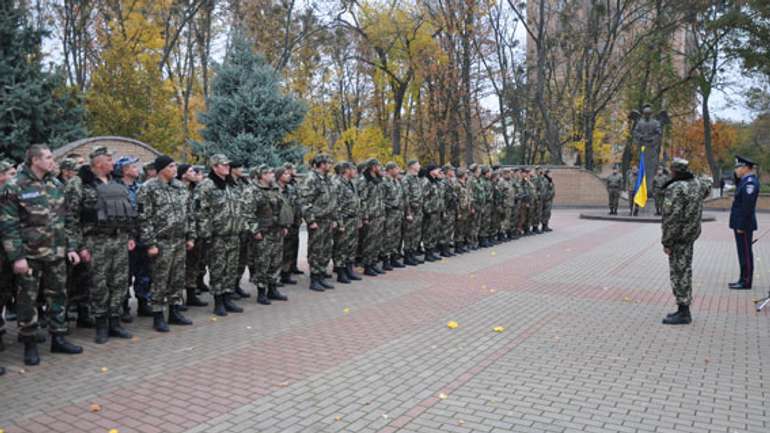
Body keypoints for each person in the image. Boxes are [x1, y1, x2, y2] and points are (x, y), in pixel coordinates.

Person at [0, 144, 84, 366]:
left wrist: (71, 247)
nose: (51, 161)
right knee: (27, 300)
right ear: (34, 160)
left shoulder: (55, 184)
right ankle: (29, 344)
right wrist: (17, 257)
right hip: (30, 255)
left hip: (56, 253)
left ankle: (59, 338)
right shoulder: (14, 186)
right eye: (47, 157)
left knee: (58, 296)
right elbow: (8, 225)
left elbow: (66, 220)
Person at [67, 146, 135, 344]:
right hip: (95, 241)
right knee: (99, 285)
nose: (113, 163)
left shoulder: (116, 182)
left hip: (119, 239)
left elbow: (125, 211)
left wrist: (129, 235)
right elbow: (71, 218)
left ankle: (115, 322)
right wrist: (80, 247)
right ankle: (101, 324)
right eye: (109, 160)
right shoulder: (79, 184)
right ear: (98, 163)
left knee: (120, 282)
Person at [136, 155, 196, 332]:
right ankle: (158, 314)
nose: (175, 169)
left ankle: (175, 311)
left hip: (179, 240)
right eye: (171, 166)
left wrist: (191, 236)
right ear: (161, 169)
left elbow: (189, 213)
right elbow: (143, 218)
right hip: (161, 242)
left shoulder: (180, 187)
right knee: (160, 279)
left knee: (177, 277)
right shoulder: (148, 188)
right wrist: (150, 243)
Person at [195, 154, 244, 316]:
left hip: (233, 233)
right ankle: (218, 301)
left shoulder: (232, 184)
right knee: (218, 269)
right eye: (223, 165)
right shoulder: (207, 185)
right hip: (217, 236)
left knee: (231, 268)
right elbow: (201, 212)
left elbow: (239, 208)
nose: (227, 167)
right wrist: (206, 235)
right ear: (215, 167)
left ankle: (228, 298)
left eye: (228, 164)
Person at [661, 158, 705, 325]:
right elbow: (707, 184)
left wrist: (667, 242)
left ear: (674, 171)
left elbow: (671, 218)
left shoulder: (676, 188)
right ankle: (683, 309)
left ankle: (683, 311)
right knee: (685, 270)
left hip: (678, 238)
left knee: (679, 273)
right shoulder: (697, 184)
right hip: (690, 236)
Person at [243, 165, 290, 305]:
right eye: (268, 173)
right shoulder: (252, 190)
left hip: (276, 230)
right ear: (261, 175)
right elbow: (247, 213)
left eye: (271, 172)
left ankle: (273, 288)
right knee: (262, 262)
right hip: (263, 232)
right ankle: (261, 292)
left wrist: (284, 225)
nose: (272, 174)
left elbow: (281, 209)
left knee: (276, 261)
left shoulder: (275, 189)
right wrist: (255, 230)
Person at [300, 154, 338, 291]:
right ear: (321, 164)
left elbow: (332, 200)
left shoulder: (327, 179)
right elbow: (304, 201)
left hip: (327, 220)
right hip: (317, 220)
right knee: (316, 250)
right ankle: (314, 279)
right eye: (328, 163)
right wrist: (310, 220)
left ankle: (321, 275)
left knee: (326, 249)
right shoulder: (311, 179)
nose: (330, 165)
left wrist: (334, 218)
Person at [176, 164, 208, 308]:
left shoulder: (197, 189)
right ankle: (177, 298)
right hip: (181, 233)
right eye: (190, 171)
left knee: (193, 265)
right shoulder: (176, 189)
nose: (194, 173)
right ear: (183, 174)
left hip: (197, 232)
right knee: (179, 267)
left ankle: (191, 294)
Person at [728, 155, 760, 290]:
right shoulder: (744, 181)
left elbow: (747, 207)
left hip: (744, 225)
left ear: (746, 168)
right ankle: (742, 278)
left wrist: (741, 225)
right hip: (740, 223)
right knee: (742, 253)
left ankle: (746, 282)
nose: (736, 170)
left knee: (746, 253)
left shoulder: (750, 183)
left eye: (739, 167)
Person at [332, 162, 362, 283]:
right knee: (341, 246)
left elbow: (356, 202)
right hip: (344, 219)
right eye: (352, 169)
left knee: (352, 246)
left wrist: (359, 218)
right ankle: (341, 271)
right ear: (346, 170)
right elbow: (336, 204)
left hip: (353, 219)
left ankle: (349, 269)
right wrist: (340, 223)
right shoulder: (338, 184)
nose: (355, 172)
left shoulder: (352, 183)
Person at [359, 159, 387, 275]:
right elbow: (362, 199)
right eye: (378, 166)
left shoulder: (378, 180)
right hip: (370, 215)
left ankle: (373, 263)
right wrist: (365, 216)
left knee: (377, 241)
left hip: (379, 214)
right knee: (369, 241)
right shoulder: (364, 180)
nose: (380, 168)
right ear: (373, 167)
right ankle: (367, 265)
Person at [230, 160, 252, 299]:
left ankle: (236, 285)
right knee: (232, 261)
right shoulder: (227, 184)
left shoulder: (244, 182)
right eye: (239, 167)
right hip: (233, 227)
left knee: (241, 260)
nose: (242, 169)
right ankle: (229, 288)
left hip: (245, 227)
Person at [383, 162, 407, 268]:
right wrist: (390, 206)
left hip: (398, 213)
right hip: (390, 213)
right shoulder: (384, 182)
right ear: (390, 169)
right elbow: (381, 198)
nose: (398, 171)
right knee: (388, 237)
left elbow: (402, 197)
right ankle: (385, 259)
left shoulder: (397, 181)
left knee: (396, 236)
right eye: (397, 168)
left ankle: (394, 257)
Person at [401, 160, 424, 266]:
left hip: (418, 210)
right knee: (409, 234)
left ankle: (413, 254)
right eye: (417, 164)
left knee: (416, 234)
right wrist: (408, 213)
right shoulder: (406, 179)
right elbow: (406, 197)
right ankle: (407, 256)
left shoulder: (416, 179)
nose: (419, 166)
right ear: (412, 166)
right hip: (411, 211)